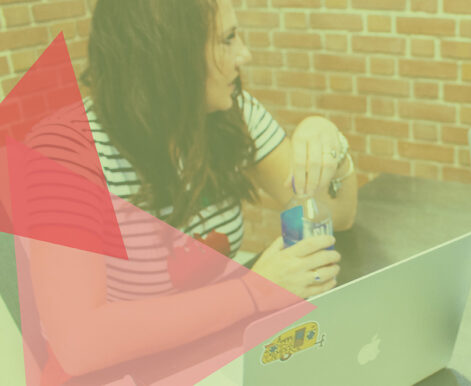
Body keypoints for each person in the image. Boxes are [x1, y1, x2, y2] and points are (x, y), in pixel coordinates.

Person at [20, 0, 357, 381]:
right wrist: (254, 291)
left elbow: (338, 216)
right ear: (169, 52)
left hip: (209, 353)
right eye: (227, 39)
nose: (244, 55)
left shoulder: (228, 111)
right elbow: (79, 342)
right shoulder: (64, 149)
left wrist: (329, 142)